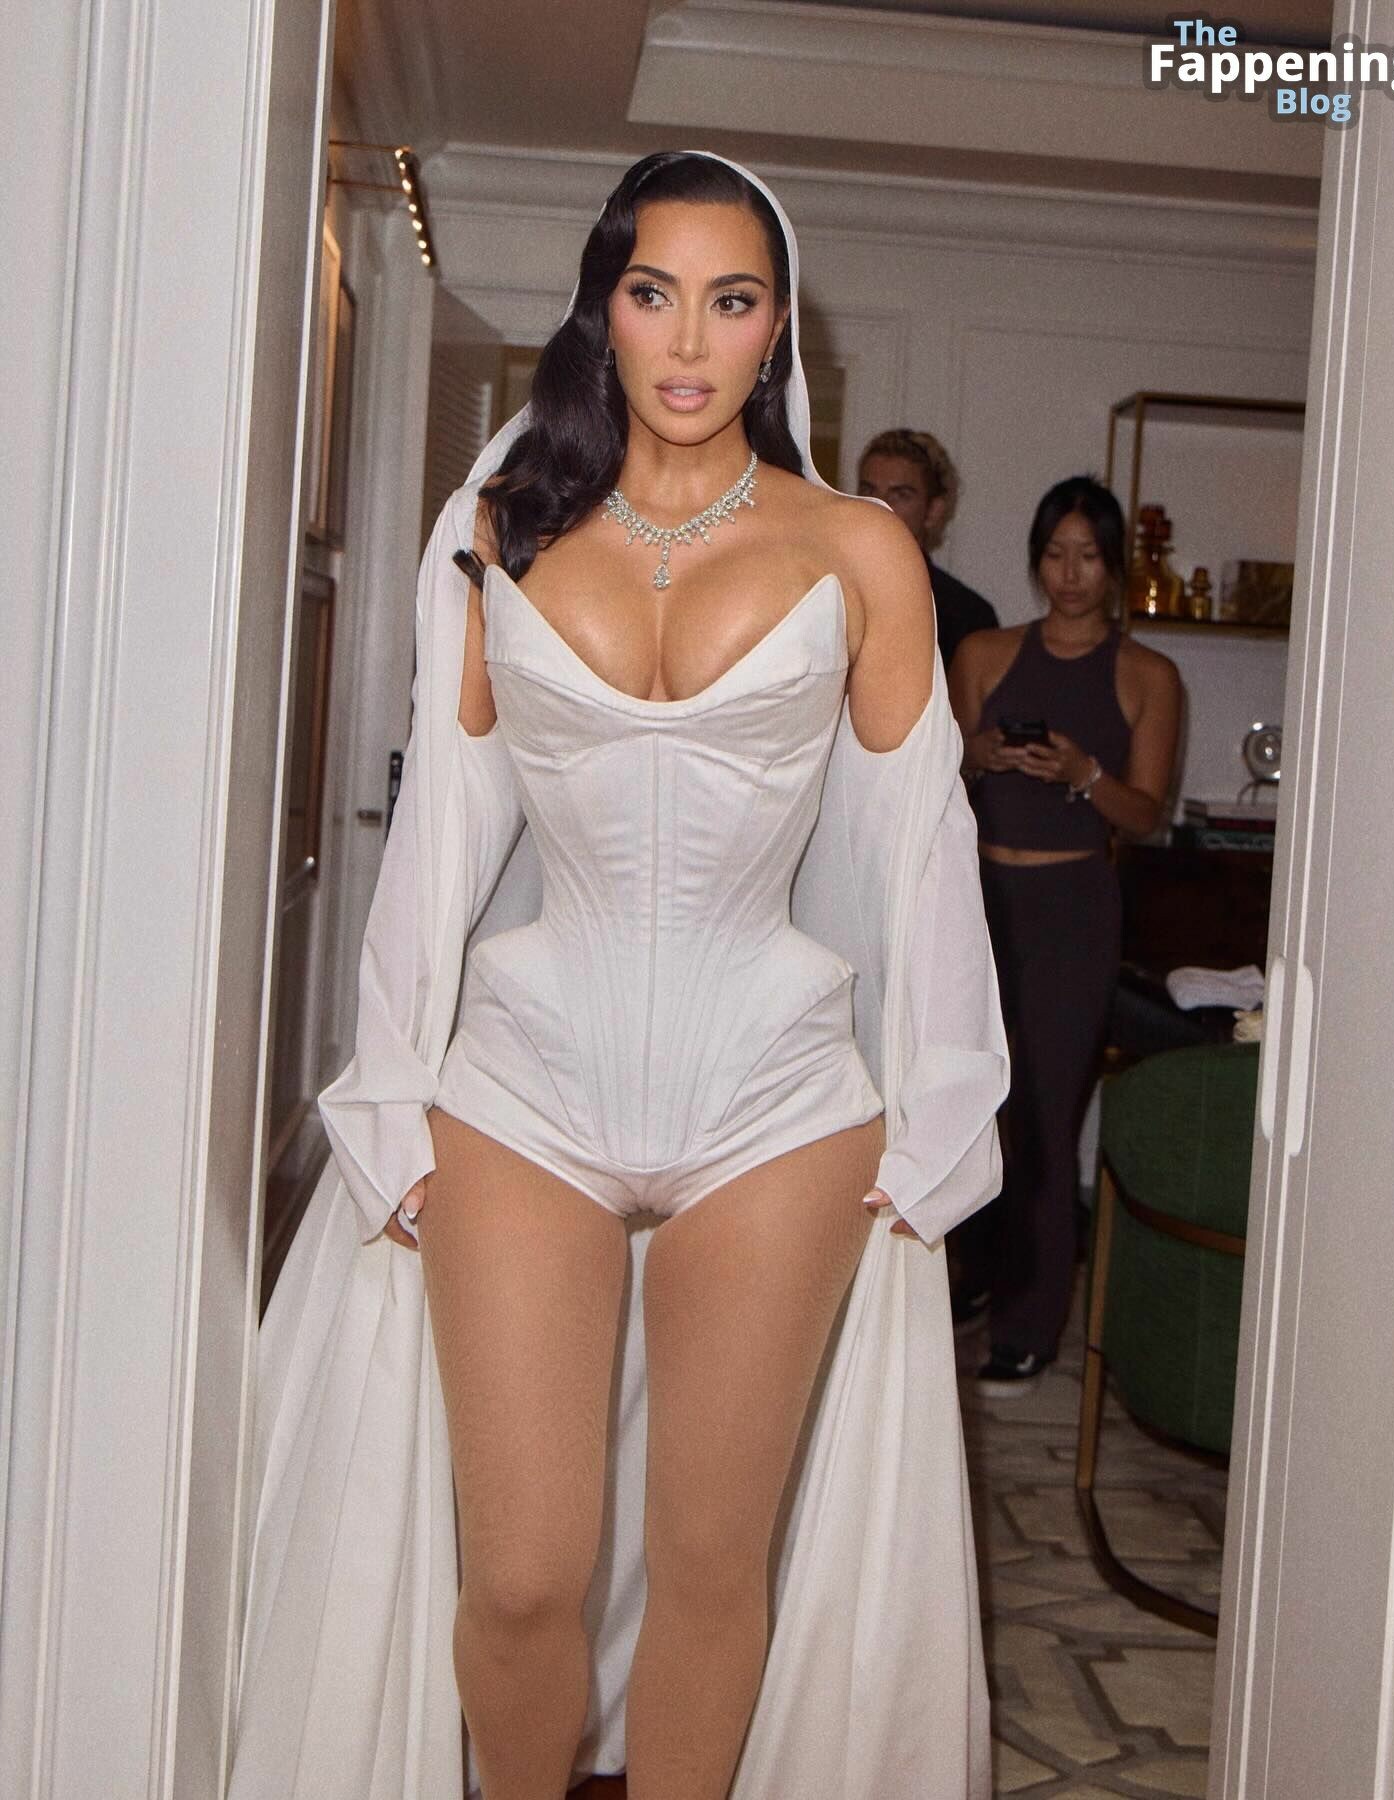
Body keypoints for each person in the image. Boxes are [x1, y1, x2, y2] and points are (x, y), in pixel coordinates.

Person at [229, 152, 1009, 1799]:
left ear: (778, 328)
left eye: (732, 301)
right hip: (526, 1086)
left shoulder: (858, 550)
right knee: (525, 1576)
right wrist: (387, 1081)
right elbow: (440, 837)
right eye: (655, 293)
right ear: (605, 308)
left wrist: (947, 1101)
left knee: (712, 1570)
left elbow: (921, 845)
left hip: (778, 1104)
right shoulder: (500, 534)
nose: (690, 340)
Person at [948, 476, 1180, 1395]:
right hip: (975, 900)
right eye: (1054, 554)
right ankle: (967, 1280)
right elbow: (928, 769)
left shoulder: (1148, 675)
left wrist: (1084, 773)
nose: (1069, 574)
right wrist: (978, 753)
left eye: (1087, 556)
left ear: (1115, 566)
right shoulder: (983, 652)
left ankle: (1029, 1323)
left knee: (1044, 1117)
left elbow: (1147, 816)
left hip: (1073, 909)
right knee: (964, 1101)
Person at [858, 427, 997, 669]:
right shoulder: (827, 589)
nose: (879, 505)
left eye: (900, 495)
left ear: (933, 511)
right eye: (869, 490)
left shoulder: (966, 614)